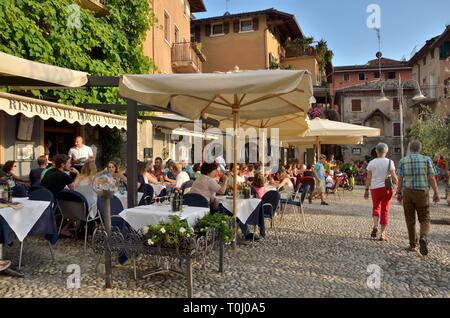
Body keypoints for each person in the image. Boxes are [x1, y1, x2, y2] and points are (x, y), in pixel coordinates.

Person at [397, 141, 440, 256]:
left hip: (408, 193)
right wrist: (436, 193)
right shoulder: (426, 160)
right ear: (420, 149)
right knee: (425, 218)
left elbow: (400, 179)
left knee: (410, 220)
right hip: (422, 193)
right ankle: (423, 237)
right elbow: (431, 178)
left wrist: (399, 192)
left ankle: (412, 244)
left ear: (410, 148)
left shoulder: (403, 160)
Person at [364, 143, 398, 241]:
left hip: (374, 188)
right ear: (386, 151)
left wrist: (366, 190)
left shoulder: (371, 163)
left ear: (376, 151)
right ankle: (382, 234)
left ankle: (375, 226)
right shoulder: (389, 162)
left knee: (376, 207)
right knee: (385, 209)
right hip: (386, 188)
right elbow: (394, 177)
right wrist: (399, 188)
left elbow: (368, 178)